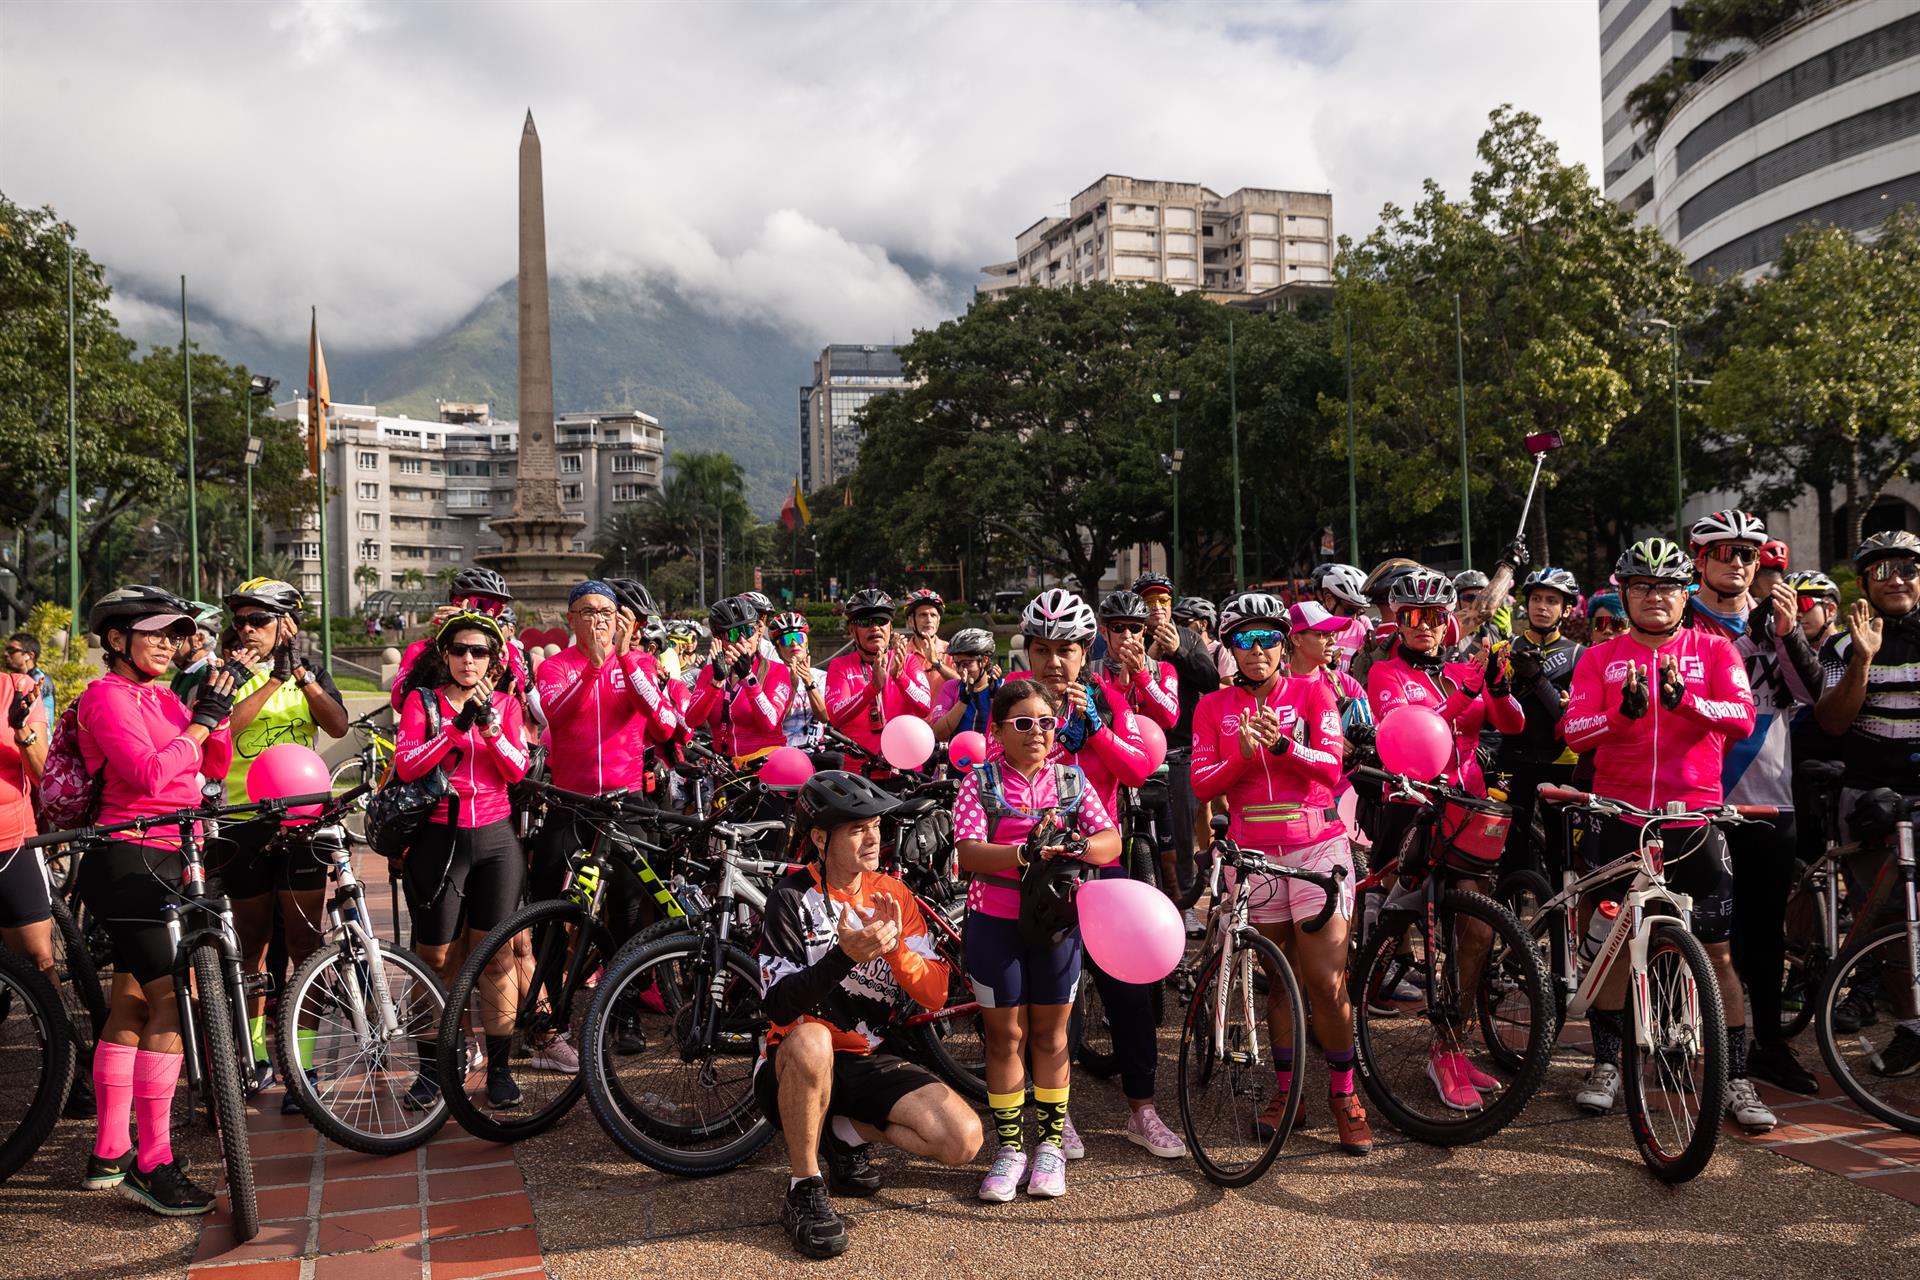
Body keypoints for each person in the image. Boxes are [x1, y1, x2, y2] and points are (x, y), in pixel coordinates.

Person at [1562, 538, 1760, 1123]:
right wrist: (1621, 714)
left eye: (1667, 586)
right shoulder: (1599, 658)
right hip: (1623, 820)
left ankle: (1737, 1079)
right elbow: (1575, 732)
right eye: (1643, 587)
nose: (1656, 597)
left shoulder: (1715, 650)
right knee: (1619, 946)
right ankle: (1605, 1062)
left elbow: (1742, 718)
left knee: (1719, 955)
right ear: (1624, 594)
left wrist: (1686, 701)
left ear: (1686, 593)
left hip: (1694, 820)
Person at [759, 770, 982, 1258]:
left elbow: (934, 997)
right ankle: (804, 1186)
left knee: (963, 1139)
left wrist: (897, 949)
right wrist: (842, 956)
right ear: (820, 837)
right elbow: (775, 1005)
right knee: (813, 1038)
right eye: (857, 828)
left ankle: (843, 1133)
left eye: (876, 825)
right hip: (792, 1058)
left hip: (864, 1058)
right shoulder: (791, 897)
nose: (873, 837)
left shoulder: (895, 895)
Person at [73, 585, 235, 1215]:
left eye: (175, 634)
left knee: (135, 999)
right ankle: (155, 1162)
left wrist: (212, 714)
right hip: (136, 857)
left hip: (171, 852)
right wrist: (196, 726)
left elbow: (203, 768)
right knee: (176, 1000)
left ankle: (109, 1150)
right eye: (156, 633)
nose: (170, 643)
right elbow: (146, 773)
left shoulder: (159, 695)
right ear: (116, 640)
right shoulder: (105, 697)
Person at [1192, 593, 1372, 1154]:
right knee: (1278, 981)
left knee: (1324, 981)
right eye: (1243, 640)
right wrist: (1245, 754)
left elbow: (1331, 764)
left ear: (1284, 642)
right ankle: (1287, 1093)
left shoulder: (1314, 690)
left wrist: (1283, 744)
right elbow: (1202, 785)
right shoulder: (1212, 708)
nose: (1257, 650)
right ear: (1230, 649)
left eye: (1267, 638)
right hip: (1253, 858)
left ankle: (1344, 1095)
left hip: (1316, 850)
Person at [1015, 588, 1184, 1158]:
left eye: (1066, 649)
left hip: (1100, 861)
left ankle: (1143, 1110)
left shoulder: (1108, 699)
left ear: (1085, 652)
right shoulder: (1015, 707)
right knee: (1046, 1001)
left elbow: (1138, 771)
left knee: (1129, 993)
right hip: (1035, 870)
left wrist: (1098, 731)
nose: (1054, 661)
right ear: (1028, 652)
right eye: (1042, 649)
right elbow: (994, 773)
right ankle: (1055, 1115)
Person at [955, 679, 1122, 1201]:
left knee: (1051, 1037)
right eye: (1022, 723)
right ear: (998, 729)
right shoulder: (979, 782)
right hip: (994, 923)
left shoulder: (1072, 782)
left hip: (1055, 926)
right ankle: (1010, 1150)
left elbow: (1111, 840)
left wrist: (1074, 843)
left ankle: (1049, 1146)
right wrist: (1025, 853)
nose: (1037, 732)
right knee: (1005, 1037)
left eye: (1046, 722)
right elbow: (967, 853)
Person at [1363, 566, 1523, 1108]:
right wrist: (1462, 697)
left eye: (1434, 615)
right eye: (1412, 616)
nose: (1424, 625)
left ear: (1448, 619)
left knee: (1478, 931)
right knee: (1399, 922)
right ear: (1398, 620)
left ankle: (1450, 1046)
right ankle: (1347, 1017)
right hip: (1412, 810)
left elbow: (1511, 723)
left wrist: (1496, 688)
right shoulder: (1385, 673)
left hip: (1467, 811)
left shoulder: (1460, 667)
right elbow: (1406, 731)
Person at [1682, 510, 1825, 1105]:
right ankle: (1680, 1036)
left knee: (1761, 933)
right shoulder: (1679, 620)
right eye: (1723, 552)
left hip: (1769, 795)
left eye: (1747, 552)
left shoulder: (1773, 622)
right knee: (1693, 926)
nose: (1736, 562)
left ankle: (1767, 1041)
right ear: (1700, 560)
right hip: (1697, 795)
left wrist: (1790, 632)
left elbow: (1812, 695)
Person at [207, 578, 350, 1111]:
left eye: (259, 621)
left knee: (304, 946)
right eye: (240, 620)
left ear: (285, 626)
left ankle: (302, 1062)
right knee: (253, 946)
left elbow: (336, 725)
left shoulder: (309, 673)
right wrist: (267, 681)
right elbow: (220, 729)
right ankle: (254, 1055)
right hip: (244, 823)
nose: (247, 629)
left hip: (302, 824)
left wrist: (304, 679)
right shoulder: (224, 676)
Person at [533, 579, 682, 1057]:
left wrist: (619, 662)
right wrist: (595, 668)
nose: (597, 619)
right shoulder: (556, 666)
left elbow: (662, 725)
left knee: (629, 911)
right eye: (587, 611)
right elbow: (556, 713)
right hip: (570, 800)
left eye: (606, 611)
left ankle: (625, 1014)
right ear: (570, 619)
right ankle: (549, 1020)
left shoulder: (639, 663)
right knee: (548, 908)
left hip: (625, 800)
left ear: (620, 620)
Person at [393, 611, 531, 1110]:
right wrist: (454, 730)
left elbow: (517, 773)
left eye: (479, 652)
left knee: (495, 958)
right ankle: (433, 1071)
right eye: (459, 650)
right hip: (439, 840)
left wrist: (491, 729)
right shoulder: (422, 702)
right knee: (434, 961)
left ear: (493, 661)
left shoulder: (507, 705)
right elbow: (407, 765)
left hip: (495, 839)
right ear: (444, 656)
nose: (468, 659)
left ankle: (499, 1070)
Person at [1813, 529, 1920, 1073]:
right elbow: (1832, 721)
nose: (1896, 579)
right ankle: (1910, 1028)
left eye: (1908, 568)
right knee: (1885, 924)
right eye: (1883, 571)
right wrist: (1861, 660)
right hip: (1869, 795)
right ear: (1864, 582)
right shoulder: (1838, 644)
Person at [1134, 572, 1220, 931]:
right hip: (1137, 749)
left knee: (1185, 832)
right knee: (1138, 833)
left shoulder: (1187, 636)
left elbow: (1210, 679)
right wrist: (1152, 655)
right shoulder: (1128, 637)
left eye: (1163, 601)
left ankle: (1185, 902)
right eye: (1150, 602)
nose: (1157, 609)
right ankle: (1140, 903)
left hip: (1182, 748)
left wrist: (1179, 652)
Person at [1496, 567, 1585, 882]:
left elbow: (1570, 720)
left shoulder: (1579, 656)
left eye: (1551, 600)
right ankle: (1510, 924)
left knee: (1563, 855)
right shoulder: (1503, 650)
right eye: (1536, 599)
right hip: (1511, 760)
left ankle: (1563, 923)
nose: (1542, 607)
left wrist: (1536, 678)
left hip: (1561, 762)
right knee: (1509, 852)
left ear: (1566, 609)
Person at [1093, 590, 1181, 895]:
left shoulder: (1163, 669)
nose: (1126, 635)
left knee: (1169, 859)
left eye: (1134, 627)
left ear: (1145, 630)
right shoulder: (1090, 673)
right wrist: (1117, 687)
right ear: (1103, 631)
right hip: (1109, 773)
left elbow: (1170, 717)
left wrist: (1144, 677)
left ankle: (1176, 918)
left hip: (1156, 773)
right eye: (1117, 628)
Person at [389, 567, 527, 710]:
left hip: (491, 727)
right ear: (456, 604)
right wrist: (441, 646)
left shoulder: (509, 650)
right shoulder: (419, 649)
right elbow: (398, 702)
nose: (490, 613)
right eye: (482, 605)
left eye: (497, 608)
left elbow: (520, 694)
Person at [824, 589, 932, 768]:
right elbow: (836, 716)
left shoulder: (908, 661)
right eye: (866, 622)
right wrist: (872, 687)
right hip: (859, 773)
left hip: (906, 770)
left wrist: (900, 677)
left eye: (881, 621)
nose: (875, 627)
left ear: (890, 627)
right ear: (852, 630)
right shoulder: (840, 666)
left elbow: (925, 707)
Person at [0, 657, 53, 1011]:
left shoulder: (15, 689)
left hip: (10, 843)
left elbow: (42, 776)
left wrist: (22, 731)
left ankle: (63, 1049)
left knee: (38, 960)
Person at [688, 595, 793, 764]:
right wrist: (716, 683)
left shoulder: (776, 670)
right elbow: (692, 720)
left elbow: (770, 723)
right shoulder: (709, 672)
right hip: (725, 767)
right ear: (719, 640)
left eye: (748, 631)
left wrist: (748, 678)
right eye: (734, 633)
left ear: (758, 632)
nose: (743, 640)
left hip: (766, 764)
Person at [768, 611, 830, 750]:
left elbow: (825, 717)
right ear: (778, 649)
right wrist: (792, 686)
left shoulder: (821, 676)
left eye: (798, 637)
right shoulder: (771, 678)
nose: (794, 643)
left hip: (818, 753)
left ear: (806, 642)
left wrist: (809, 682)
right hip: (785, 753)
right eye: (786, 639)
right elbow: (774, 723)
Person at [929, 628, 1000, 743]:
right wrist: (963, 701)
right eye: (957, 664)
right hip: (959, 758)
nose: (961, 670)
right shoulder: (951, 687)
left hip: (992, 757)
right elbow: (939, 733)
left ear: (984, 660)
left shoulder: (1001, 687)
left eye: (966, 664)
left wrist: (996, 698)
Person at [1314, 564, 1375, 675]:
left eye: (1359, 611)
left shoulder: (1358, 627)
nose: (1354, 618)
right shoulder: (1312, 630)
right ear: (1329, 600)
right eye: (1350, 610)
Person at [900, 588, 953, 700]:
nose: (929, 620)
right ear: (910, 621)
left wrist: (936, 663)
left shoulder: (951, 650)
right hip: (910, 717)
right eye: (923, 615)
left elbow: (962, 684)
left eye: (933, 615)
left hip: (944, 717)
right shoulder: (901, 653)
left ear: (938, 621)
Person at [4, 631, 56, 725]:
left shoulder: (38, 679)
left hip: (37, 737)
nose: (5, 654)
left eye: (12, 650)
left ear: (29, 655)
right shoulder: (17, 679)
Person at [1789, 570, 1843, 649]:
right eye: (1790, 606)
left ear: (1831, 609)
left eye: (1803, 604)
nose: (1797, 614)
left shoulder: (1852, 649)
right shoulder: (1782, 653)